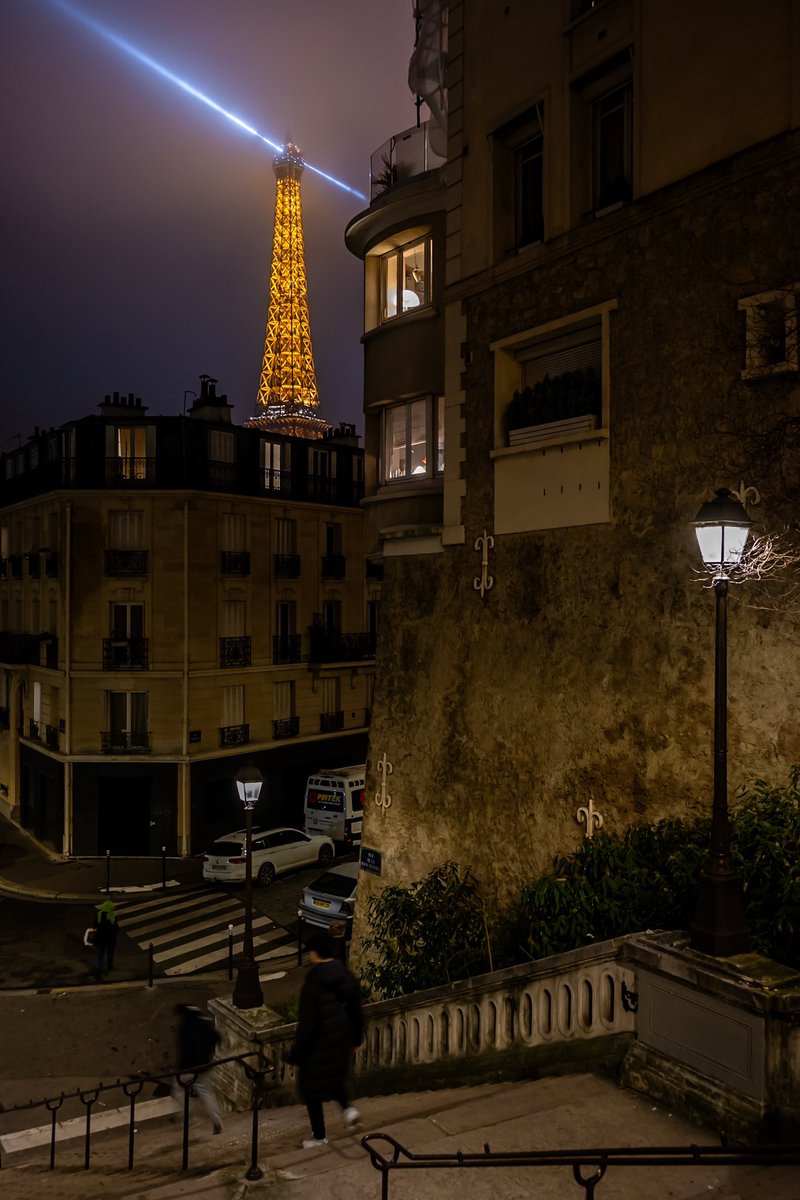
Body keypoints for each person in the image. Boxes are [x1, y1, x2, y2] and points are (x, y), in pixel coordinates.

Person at [287, 928, 364, 1149]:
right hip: (340, 1041)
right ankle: (349, 1111)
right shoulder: (345, 976)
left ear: (315, 953)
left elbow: (308, 1024)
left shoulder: (313, 982)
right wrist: (356, 1039)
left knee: (311, 1090)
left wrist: (296, 1054)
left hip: (318, 1046)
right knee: (335, 1079)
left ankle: (319, 1136)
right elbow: (357, 1012)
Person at [170, 1004, 223, 1135]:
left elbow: (184, 1049)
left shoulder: (185, 1027)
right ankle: (217, 1121)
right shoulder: (205, 1025)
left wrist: (179, 1068)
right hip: (204, 1066)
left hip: (187, 1068)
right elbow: (217, 1038)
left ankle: (187, 1115)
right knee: (206, 1093)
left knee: (179, 1091)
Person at [93, 899, 119, 977]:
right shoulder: (113, 915)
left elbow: (95, 924)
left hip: (100, 937)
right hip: (110, 938)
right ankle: (109, 966)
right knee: (110, 952)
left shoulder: (99, 914)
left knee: (99, 955)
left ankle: (98, 970)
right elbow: (115, 927)